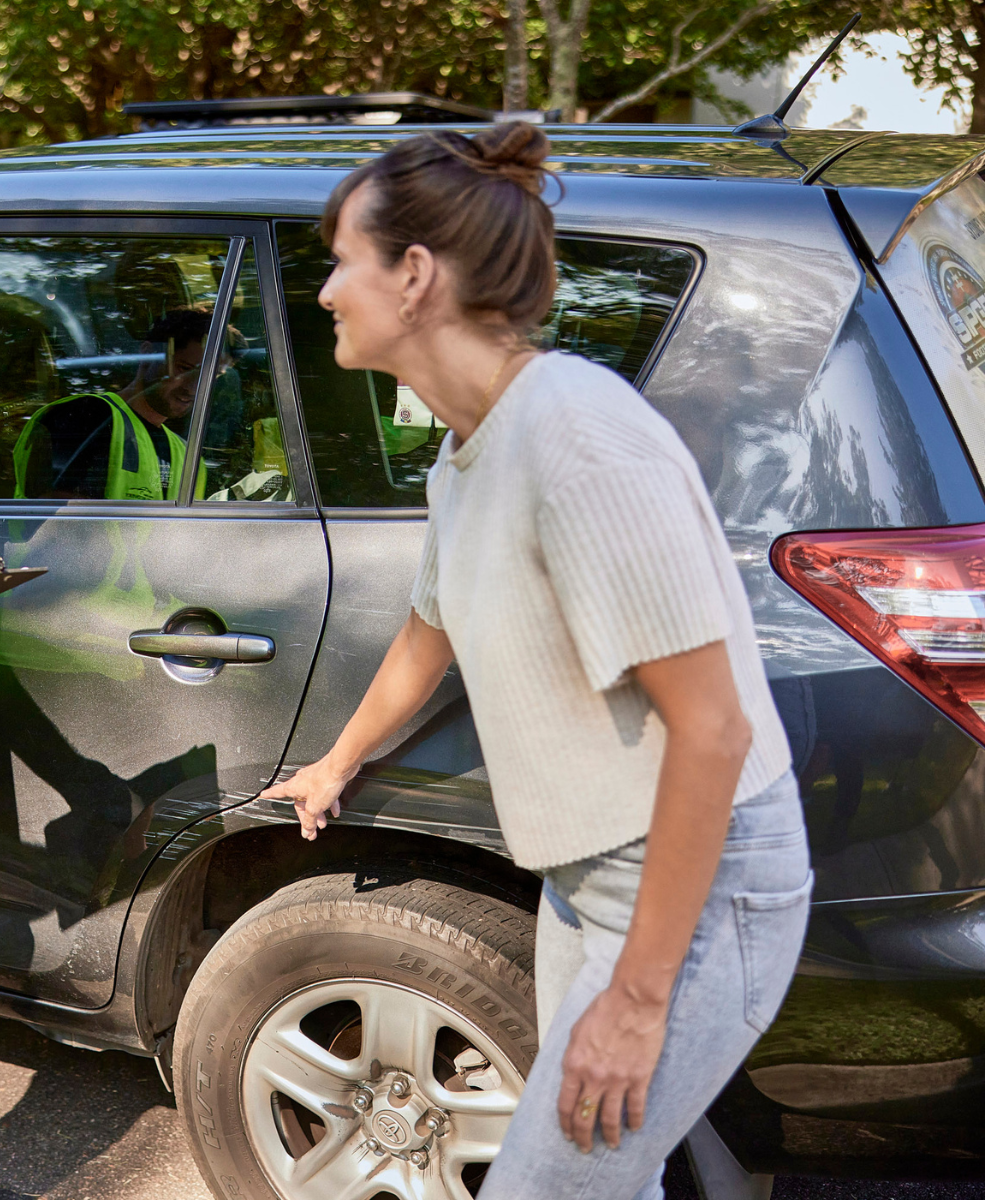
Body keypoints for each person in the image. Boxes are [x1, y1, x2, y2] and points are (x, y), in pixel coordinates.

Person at [260, 122, 812, 1199]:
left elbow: (714, 727)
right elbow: (433, 629)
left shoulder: (576, 434)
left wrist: (641, 1002)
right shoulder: (473, 449)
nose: (325, 289)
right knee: (609, 1184)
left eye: (343, 259)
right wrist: (336, 763)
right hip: (588, 879)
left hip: (697, 891)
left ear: (414, 275)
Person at [12, 307, 231, 500]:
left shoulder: (187, 456)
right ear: (147, 353)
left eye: (210, 376)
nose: (194, 386)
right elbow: (61, 531)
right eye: (184, 368)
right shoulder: (86, 418)